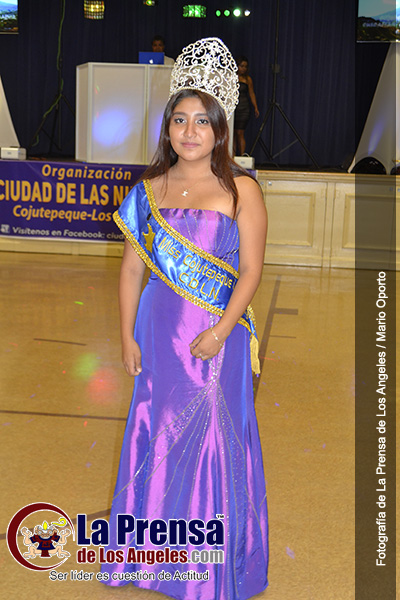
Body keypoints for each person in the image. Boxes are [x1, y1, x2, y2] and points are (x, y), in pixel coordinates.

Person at [101, 38, 268, 600]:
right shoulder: (148, 191)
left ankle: (211, 567)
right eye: (179, 120)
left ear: (220, 129)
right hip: (159, 333)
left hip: (218, 335)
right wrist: (127, 336)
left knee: (214, 438)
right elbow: (132, 271)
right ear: (167, 128)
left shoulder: (241, 188)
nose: (189, 131)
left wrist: (220, 331)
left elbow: (251, 272)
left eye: (202, 121)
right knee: (156, 431)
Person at [234, 56, 259, 156]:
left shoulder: (248, 79)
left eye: (245, 66)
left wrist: (255, 107)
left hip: (244, 108)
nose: (243, 68)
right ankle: (232, 157)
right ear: (237, 66)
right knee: (232, 134)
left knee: (240, 133)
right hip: (232, 108)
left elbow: (251, 93)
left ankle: (241, 157)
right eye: (242, 66)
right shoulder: (230, 77)